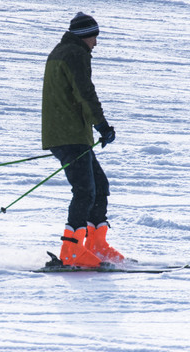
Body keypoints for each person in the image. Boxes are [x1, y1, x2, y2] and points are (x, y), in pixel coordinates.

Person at [42, 12, 125, 267]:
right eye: (94, 37)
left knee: (99, 186)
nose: (96, 43)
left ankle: (96, 244)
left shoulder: (62, 51)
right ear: (84, 36)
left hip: (69, 133)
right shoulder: (76, 54)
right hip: (69, 134)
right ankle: (72, 250)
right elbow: (85, 93)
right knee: (85, 190)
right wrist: (102, 126)